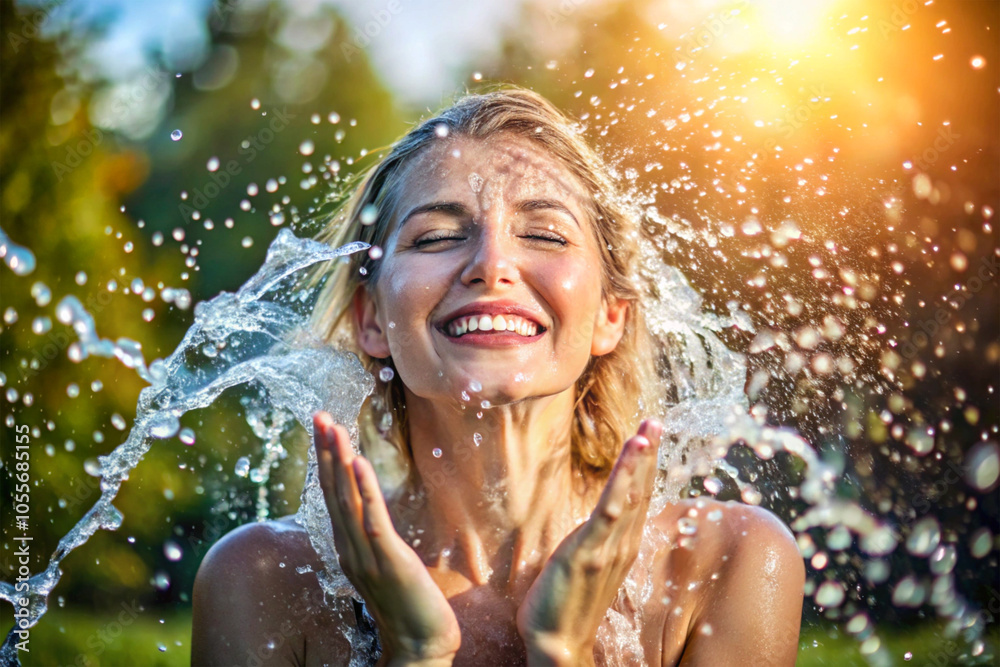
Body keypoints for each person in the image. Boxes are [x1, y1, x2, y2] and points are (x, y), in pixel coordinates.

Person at [191, 87, 804, 666]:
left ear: (609, 315)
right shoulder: (264, 579)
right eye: (437, 237)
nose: (491, 264)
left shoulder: (727, 564)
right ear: (371, 319)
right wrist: (414, 653)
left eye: (543, 234)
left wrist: (563, 650)